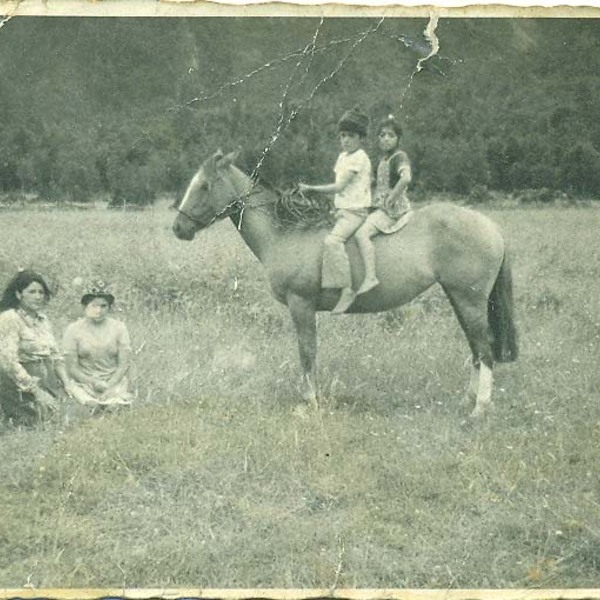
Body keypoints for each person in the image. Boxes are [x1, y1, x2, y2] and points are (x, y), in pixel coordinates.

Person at [299, 107, 372, 313]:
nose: (346, 140)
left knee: (333, 241)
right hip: (343, 210)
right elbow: (340, 191)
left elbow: (340, 187)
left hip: (356, 212)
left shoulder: (360, 157)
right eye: (342, 136)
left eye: (351, 136)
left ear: (360, 138)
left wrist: (313, 189)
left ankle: (346, 288)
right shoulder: (343, 157)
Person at [0, 270, 74, 427]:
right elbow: (8, 362)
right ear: (19, 294)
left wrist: (67, 384)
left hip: (49, 381)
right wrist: (37, 392)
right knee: (43, 421)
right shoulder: (9, 318)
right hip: (21, 385)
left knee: (78, 412)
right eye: (32, 291)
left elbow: (55, 357)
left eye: (41, 292)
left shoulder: (43, 320)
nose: (38, 296)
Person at [354, 114, 413, 295]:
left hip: (392, 210)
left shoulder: (399, 157)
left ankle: (371, 277)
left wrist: (392, 196)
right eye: (382, 135)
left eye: (391, 135)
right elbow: (376, 183)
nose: (386, 139)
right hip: (380, 205)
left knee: (361, 234)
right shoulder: (383, 159)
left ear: (398, 139)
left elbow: (406, 178)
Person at [62, 282, 133, 412]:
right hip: (84, 382)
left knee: (114, 407)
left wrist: (109, 385)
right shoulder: (73, 329)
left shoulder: (119, 328)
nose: (98, 311)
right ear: (85, 306)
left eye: (103, 306)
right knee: (91, 407)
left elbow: (124, 365)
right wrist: (93, 382)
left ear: (109, 307)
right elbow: (71, 368)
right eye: (94, 306)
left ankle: (114, 402)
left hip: (113, 381)